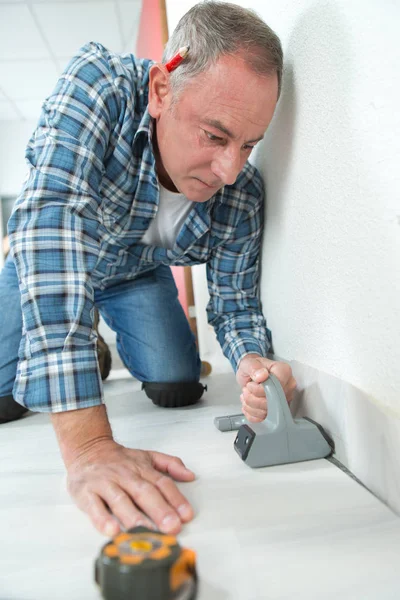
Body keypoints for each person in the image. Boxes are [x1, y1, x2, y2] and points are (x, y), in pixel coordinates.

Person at [0, 1, 296, 537]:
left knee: (178, 384)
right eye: (214, 136)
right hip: (50, 265)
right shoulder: (99, 87)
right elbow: (52, 228)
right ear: (162, 91)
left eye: (248, 145)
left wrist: (254, 364)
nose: (230, 171)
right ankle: (80, 340)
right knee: (5, 399)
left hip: (134, 274)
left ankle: (90, 340)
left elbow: (234, 304)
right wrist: (89, 446)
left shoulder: (242, 194)